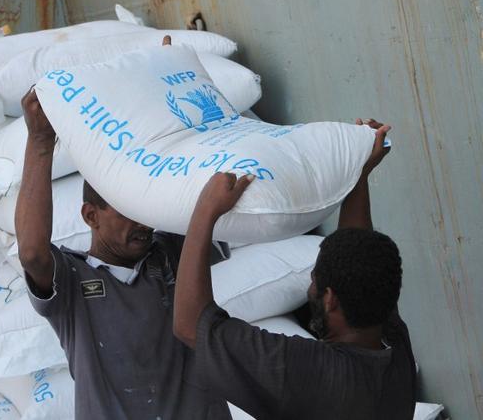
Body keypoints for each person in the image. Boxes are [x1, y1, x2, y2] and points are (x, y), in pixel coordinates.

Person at [14, 81, 232, 418]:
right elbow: (32, 254)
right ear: (91, 216)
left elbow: (208, 183)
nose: (143, 221)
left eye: (144, 207)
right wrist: (41, 141)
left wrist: (163, 94)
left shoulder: (171, 252)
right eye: (127, 209)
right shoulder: (71, 280)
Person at [173, 120, 417, 420]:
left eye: (314, 279)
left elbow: (189, 326)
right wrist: (360, 172)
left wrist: (205, 211)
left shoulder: (307, 371)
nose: (309, 288)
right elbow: (358, 249)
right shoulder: (390, 341)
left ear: (330, 299)